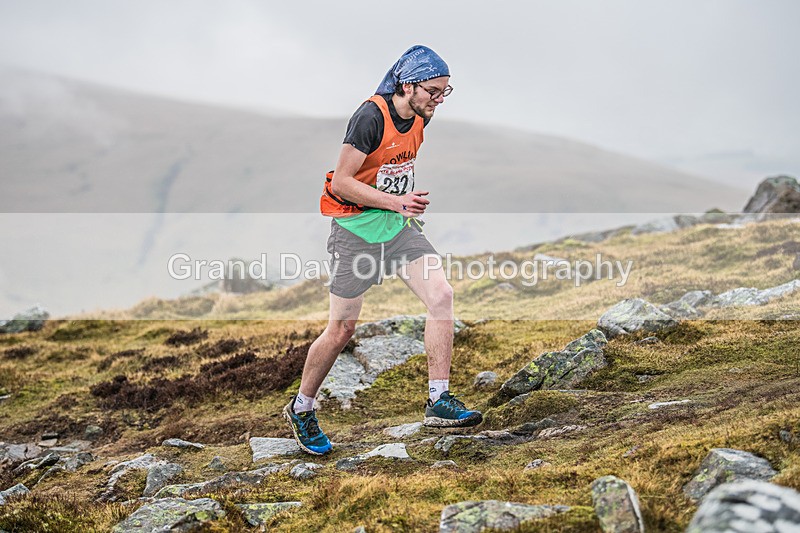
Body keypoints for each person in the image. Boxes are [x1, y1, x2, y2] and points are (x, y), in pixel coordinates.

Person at [283, 45, 482, 455]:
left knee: (441, 295)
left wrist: (399, 206)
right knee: (341, 330)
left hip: (398, 229)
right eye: (433, 91)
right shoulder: (370, 117)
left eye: (445, 91)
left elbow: (393, 169)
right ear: (407, 85)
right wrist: (396, 201)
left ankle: (438, 399)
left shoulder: (421, 115)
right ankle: (302, 408)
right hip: (355, 233)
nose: (439, 100)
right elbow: (342, 182)